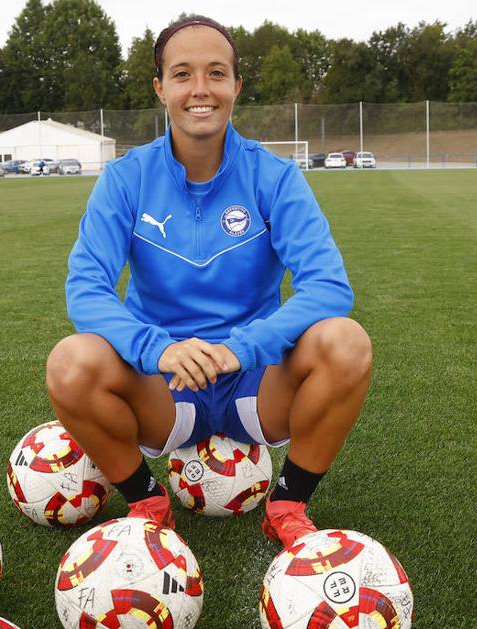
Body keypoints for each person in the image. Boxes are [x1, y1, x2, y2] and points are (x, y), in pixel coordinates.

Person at [45, 15, 372, 550]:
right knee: (69, 362)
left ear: (236, 86)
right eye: (182, 74)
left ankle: (288, 504)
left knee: (346, 343)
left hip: (255, 383)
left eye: (216, 73)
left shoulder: (275, 177)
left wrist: (244, 347)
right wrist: (160, 350)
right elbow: (86, 286)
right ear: (161, 88)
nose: (201, 90)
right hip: (163, 390)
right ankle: (147, 501)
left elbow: (328, 287)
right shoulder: (126, 178)